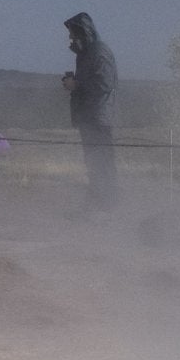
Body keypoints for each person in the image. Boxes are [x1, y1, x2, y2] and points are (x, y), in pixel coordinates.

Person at [64, 12, 118, 211]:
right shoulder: (86, 53)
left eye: (72, 34)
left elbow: (105, 83)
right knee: (94, 163)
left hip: (98, 117)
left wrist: (76, 84)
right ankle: (97, 204)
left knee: (102, 163)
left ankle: (106, 206)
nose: (70, 38)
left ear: (83, 32)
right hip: (90, 116)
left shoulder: (99, 51)